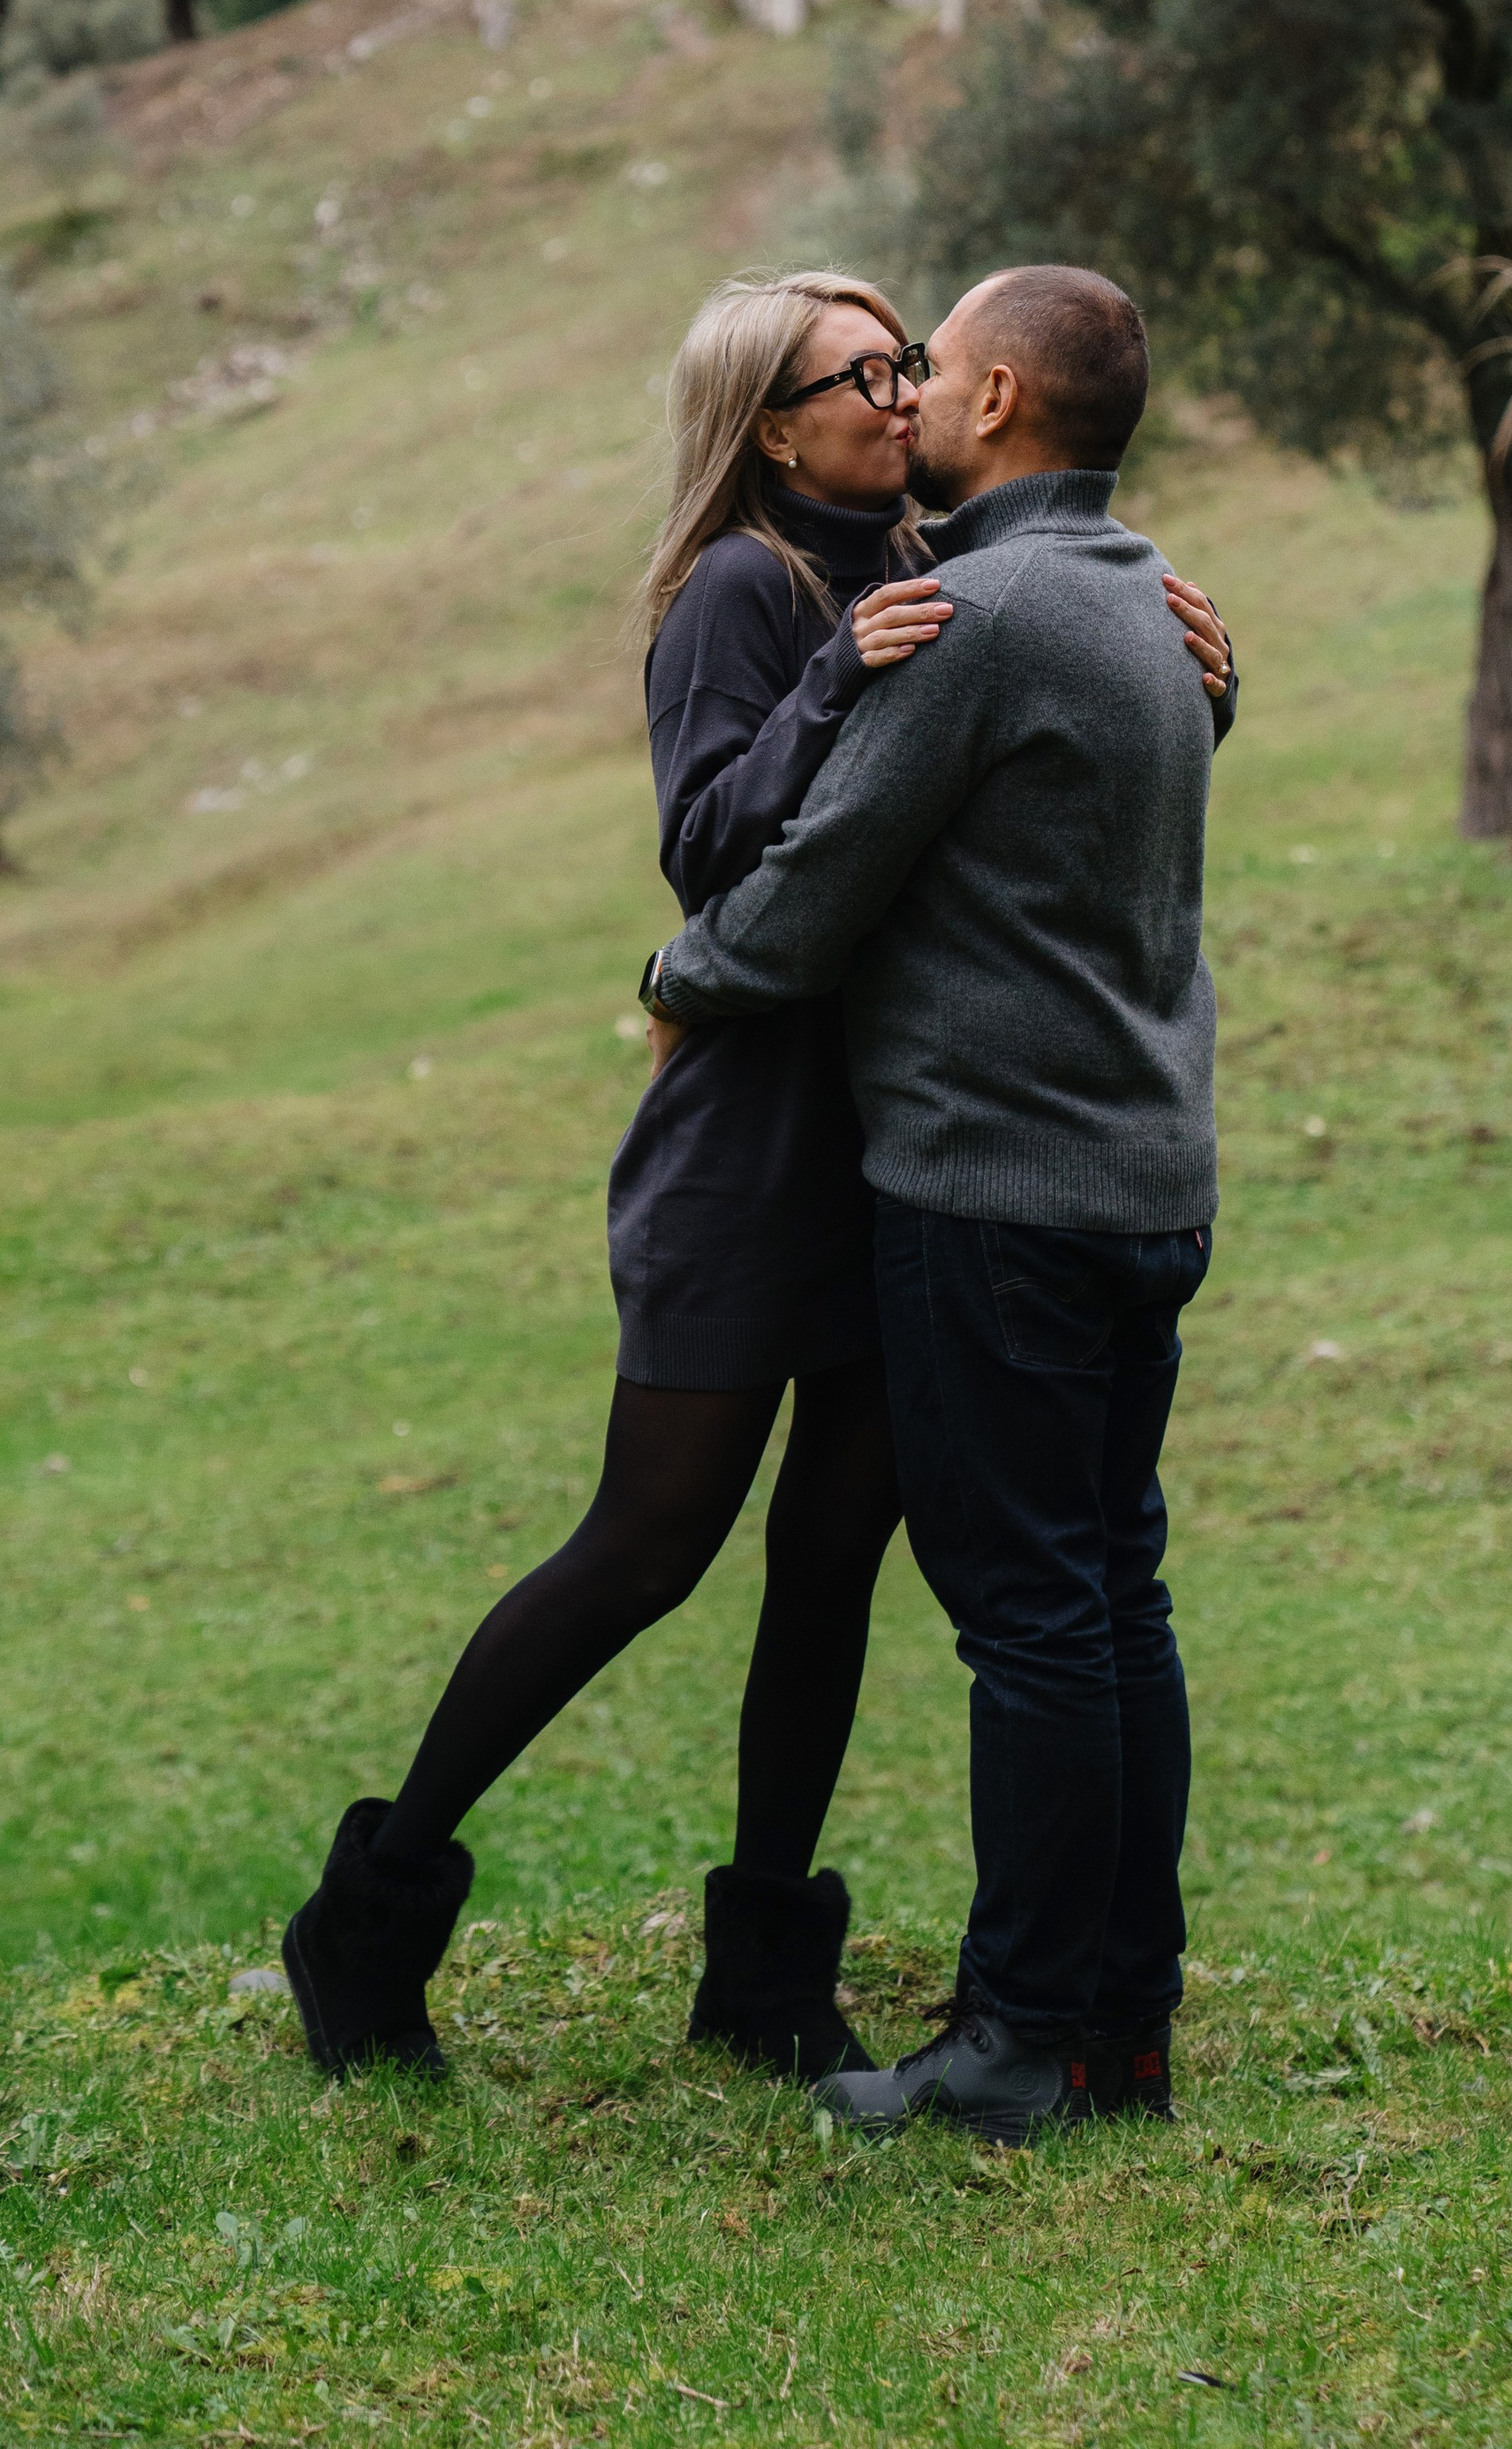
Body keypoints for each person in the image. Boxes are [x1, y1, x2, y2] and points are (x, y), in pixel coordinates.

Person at [281, 269, 1232, 2082]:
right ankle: (373, 1910)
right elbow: (709, 853)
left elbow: (1016, 789)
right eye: (860, 372)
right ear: (773, 426)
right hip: (751, 1139)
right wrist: (826, 682)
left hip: (905, 1141)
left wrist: (1198, 686)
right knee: (649, 1543)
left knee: (832, 1556)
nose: (898, 392)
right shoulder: (744, 587)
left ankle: (767, 1969)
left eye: (908, 362)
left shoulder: (940, 571)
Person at [644, 264, 1229, 2145]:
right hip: (1146, 1182)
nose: (907, 393)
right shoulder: (1145, 592)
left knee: (1033, 1622)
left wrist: (676, 978)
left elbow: (815, 883)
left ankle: (1013, 2044)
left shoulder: (974, 613)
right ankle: (1120, 2029)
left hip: (998, 1195)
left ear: (993, 400)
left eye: (931, 365)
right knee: (1113, 1600)